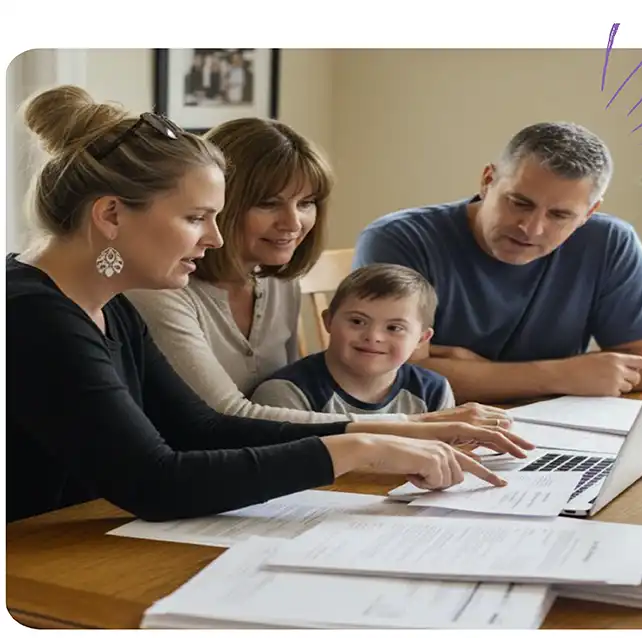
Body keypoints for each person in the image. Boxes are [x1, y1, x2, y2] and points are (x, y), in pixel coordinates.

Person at [5, 85, 534, 524]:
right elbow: (156, 482)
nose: (214, 238)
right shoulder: (32, 315)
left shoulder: (107, 304)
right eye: (195, 218)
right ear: (111, 215)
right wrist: (359, 450)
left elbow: (204, 428)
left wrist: (396, 430)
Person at [126, 117, 511, 428]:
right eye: (268, 203)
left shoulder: (279, 280)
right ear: (217, 203)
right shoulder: (161, 290)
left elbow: (294, 387)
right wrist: (416, 427)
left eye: (306, 203)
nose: (293, 223)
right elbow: (227, 416)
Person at [353, 122, 642, 404]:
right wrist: (561, 375)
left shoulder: (610, 242)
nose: (531, 228)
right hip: (431, 434)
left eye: (560, 215)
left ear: (588, 213)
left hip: (556, 431)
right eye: (519, 203)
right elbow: (389, 374)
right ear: (488, 180)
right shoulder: (399, 239)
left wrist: (475, 373)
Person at [252, 263, 455, 417]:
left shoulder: (434, 392)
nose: (373, 336)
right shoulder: (287, 394)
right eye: (358, 321)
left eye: (394, 328)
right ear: (329, 321)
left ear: (422, 339)